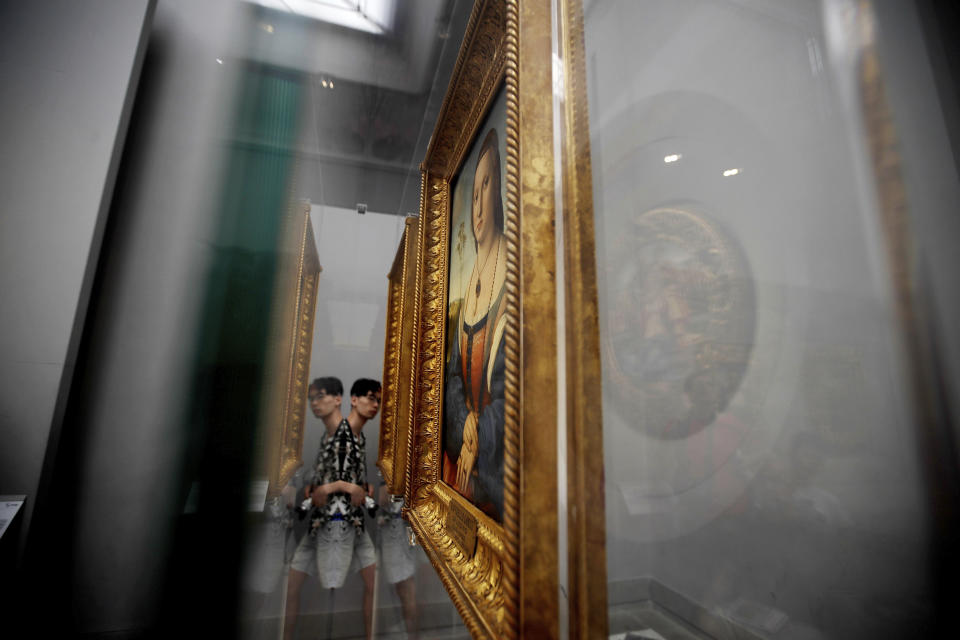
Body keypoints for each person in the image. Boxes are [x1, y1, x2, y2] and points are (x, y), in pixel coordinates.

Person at [283, 377, 381, 640]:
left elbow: (343, 478)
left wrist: (357, 487)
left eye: (378, 400)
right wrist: (325, 488)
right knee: (293, 587)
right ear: (352, 399)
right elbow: (331, 480)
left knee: (372, 582)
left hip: (349, 522)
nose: (375, 405)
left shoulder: (351, 434)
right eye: (371, 398)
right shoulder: (342, 433)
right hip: (328, 523)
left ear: (338, 398)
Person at [444, 128, 506, 521]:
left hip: (496, 467)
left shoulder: (511, 290)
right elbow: (451, 378)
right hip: (460, 456)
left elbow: (514, 394)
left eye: (488, 185)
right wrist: (464, 421)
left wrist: (478, 440)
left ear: (499, 193)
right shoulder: (464, 293)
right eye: (475, 191)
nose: (480, 202)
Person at [376, 474, 419, 639]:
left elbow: (386, 494)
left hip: (400, 526)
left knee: (406, 585)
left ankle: (411, 633)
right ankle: (407, 627)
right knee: (401, 586)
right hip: (395, 525)